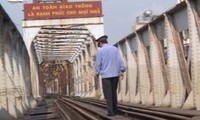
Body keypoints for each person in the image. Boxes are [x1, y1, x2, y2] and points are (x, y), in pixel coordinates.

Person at [95, 35, 126, 116]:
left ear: (100, 43)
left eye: (99, 44)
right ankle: (115, 109)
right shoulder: (115, 49)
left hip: (106, 76)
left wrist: (97, 74)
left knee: (108, 94)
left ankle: (110, 111)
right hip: (115, 75)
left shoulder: (100, 51)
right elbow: (120, 60)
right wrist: (122, 70)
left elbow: (98, 64)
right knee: (113, 92)